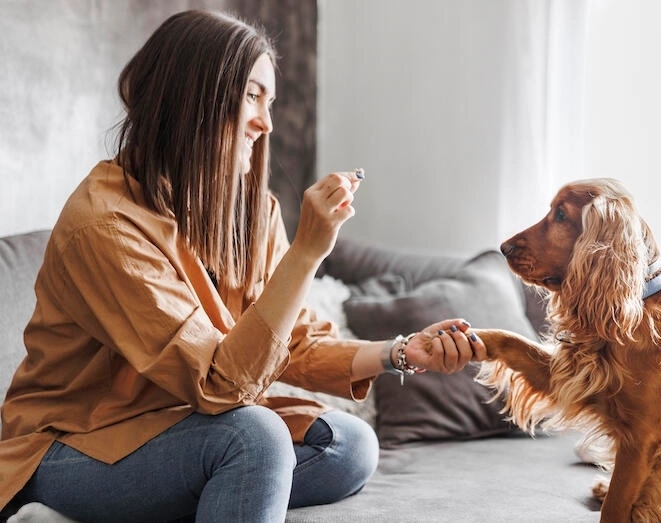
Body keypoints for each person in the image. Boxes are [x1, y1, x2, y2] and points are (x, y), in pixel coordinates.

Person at [0, 9, 487, 522]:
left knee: (348, 445)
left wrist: (403, 352)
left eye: (270, 101)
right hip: (71, 447)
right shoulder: (105, 226)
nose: (266, 122)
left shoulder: (251, 212)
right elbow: (221, 385)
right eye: (252, 95)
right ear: (192, 97)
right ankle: (49, 507)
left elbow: (291, 342)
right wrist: (307, 252)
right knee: (255, 437)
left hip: (180, 430)